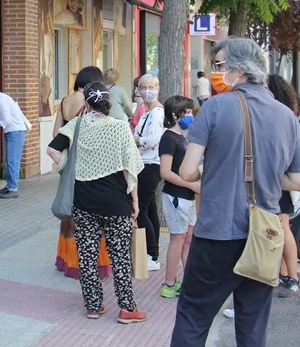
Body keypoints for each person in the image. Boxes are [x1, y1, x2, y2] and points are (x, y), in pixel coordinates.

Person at [171, 38, 300, 347]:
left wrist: (216, 170)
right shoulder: (285, 115)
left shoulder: (216, 106)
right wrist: (267, 176)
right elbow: (299, 181)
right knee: (252, 324)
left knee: (193, 316)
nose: (216, 72)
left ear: (239, 69)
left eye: (219, 66)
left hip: (217, 233)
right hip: (264, 234)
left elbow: (187, 171)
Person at [47, 82, 147, 324]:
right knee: (120, 255)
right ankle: (126, 309)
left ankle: (93, 306)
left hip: (84, 203)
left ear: (87, 103)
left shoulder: (77, 126)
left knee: (87, 255)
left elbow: (52, 150)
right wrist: (134, 201)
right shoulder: (121, 128)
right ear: (108, 103)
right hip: (116, 203)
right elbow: (129, 169)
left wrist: (68, 166)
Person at [53, 66, 112, 280]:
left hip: (68, 163)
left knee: (70, 211)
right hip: (87, 164)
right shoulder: (89, 101)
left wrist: (63, 163)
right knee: (91, 215)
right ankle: (92, 263)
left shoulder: (65, 101)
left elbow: (55, 136)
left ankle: (68, 259)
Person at [159, 95, 200, 298]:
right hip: (176, 196)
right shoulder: (168, 138)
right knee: (178, 238)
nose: (191, 115)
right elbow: (165, 172)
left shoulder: (182, 137)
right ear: (176, 115)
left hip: (188, 196)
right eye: (188, 112)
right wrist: (191, 184)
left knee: (188, 238)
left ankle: (189, 281)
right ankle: (169, 283)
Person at [267, 74, 300, 298]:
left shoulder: (282, 117)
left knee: (283, 228)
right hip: (277, 180)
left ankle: (293, 277)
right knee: (280, 228)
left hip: (280, 181)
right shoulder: (281, 114)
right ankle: (283, 274)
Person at [133, 73, 166, 271]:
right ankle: (152, 253)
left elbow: (151, 140)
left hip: (150, 165)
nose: (147, 91)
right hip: (143, 163)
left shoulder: (157, 113)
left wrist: (135, 140)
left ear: (157, 88)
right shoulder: (146, 112)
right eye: (143, 87)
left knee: (141, 211)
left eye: (151, 86)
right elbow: (139, 135)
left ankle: (151, 255)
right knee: (150, 209)